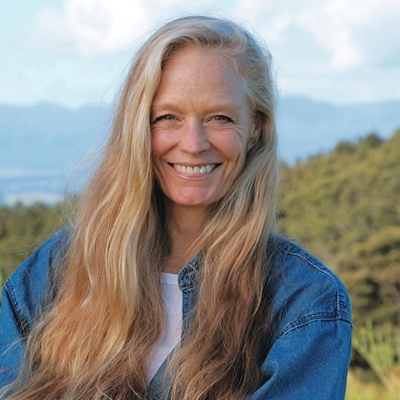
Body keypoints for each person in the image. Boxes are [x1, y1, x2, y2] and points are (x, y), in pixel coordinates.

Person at [0, 15, 352, 400]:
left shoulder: (304, 302)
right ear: (137, 128)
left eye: (220, 118)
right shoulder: (57, 269)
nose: (193, 143)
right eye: (167, 117)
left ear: (256, 127)